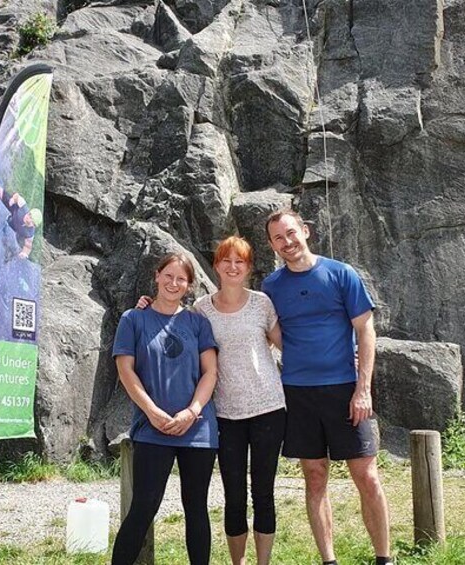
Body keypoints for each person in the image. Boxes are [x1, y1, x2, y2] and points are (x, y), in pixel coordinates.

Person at [137, 237, 286, 565]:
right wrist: (144, 308)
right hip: (225, 413)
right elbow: (170, 319)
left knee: (263, 492)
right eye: (226, 261)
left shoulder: (262, 303)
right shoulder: (200, 308)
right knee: (234, 494)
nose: (233, 267)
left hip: (268, 409)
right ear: (216, 265)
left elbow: (288, 346)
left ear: (248, 268)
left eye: (241, 262)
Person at [262, 209, 392, 565]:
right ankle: (329, 561)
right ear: (272, 245)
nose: (287, 242)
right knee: (315, 477)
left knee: (365, 475)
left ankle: (385, 558)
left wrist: (362, 389)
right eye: (278, 238)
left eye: (291, 233)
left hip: (345, 390)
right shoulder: (271, 287)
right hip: (299, 393)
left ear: (305, 231)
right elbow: (257, 325)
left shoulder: (341, 273)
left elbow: (366, 331)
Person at [111, 253, 220, 565]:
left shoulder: (198, 323)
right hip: (152, 429)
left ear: (188, 285)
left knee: (196, 506)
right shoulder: (133, 319)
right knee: (144, 506)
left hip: (197, 430)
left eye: (181, 279)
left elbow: (210, 373)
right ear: (157, 276)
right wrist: (153, 413)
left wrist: (192, 411)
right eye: (168, 276)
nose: (174, 283)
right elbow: (126, 371)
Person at [0, 183, 42, 259]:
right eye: (29, 215)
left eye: (32, 222)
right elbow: (17, 196)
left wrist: (24, 253)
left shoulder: (30, 233)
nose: (28, 219)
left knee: (10, 245)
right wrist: (13, 200)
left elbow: (28, 246)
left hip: (14, 228)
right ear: (29, 212)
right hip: (14, 211)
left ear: (34, 226)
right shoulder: (23, 207)